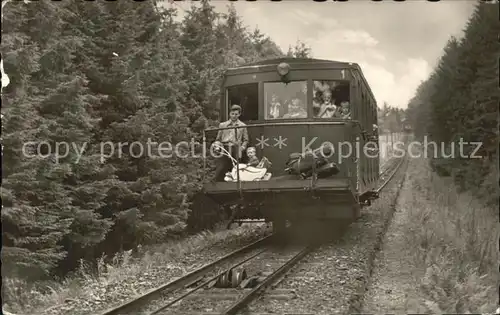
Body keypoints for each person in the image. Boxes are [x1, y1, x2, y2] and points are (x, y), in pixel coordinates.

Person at [213, 104, 249, 181]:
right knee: (221, 166)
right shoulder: (223, 125)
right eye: (232, 114)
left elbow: (246, 140)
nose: (234, 116)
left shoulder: (242, 125)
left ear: (239, 114)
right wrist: (217, 146)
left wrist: (242, 148)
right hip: (225, 147)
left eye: (236, 114)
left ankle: (235, 182)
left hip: (236, 147)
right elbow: (218, 139)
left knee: (237, 166)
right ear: (229, 114)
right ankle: (217, 183)